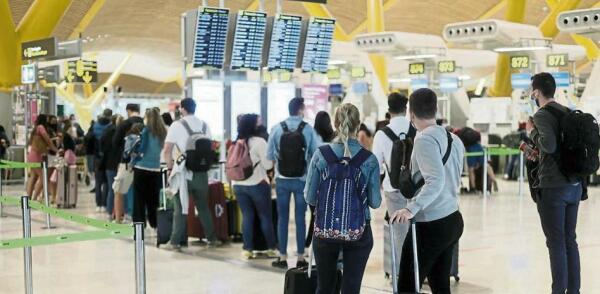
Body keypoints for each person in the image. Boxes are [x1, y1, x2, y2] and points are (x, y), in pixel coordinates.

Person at [391, 88, 465, 294]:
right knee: (440, 285)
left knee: (407, 285)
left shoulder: (423, 139)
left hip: (430, 224)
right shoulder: (454, 139)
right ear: (436, 109)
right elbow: (453, 177)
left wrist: (410, 209)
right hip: (452, 218)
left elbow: (435, 180)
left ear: (411, 114)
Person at [305, 103, 382, 293]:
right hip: (359, 231)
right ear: (358, 125)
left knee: (324, 287)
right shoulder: (369, 159)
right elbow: (375, 202)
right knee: (351, 286)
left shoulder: (320, 155)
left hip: (325, 230)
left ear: (336, 123)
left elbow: (309, 197)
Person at [526, 72, 583, 294]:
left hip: (553, 187)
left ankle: (558, 290)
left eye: (532, 90)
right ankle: (574, 290)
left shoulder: (541, 114)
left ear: (537, 92)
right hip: (574, 184)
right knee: (570, 240)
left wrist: (532, 134)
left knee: (556, 242)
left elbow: (549, 145)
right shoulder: (566, 111)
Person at [266, 97, 319, 269]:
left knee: (282, 218)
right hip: (301, 180)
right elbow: (315, 155)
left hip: (282, 180)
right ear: (301, 109)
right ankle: (301, 258)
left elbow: (269, 156)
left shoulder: (276, 129)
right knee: (300, 218)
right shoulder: (308, 129)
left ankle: (282, 257)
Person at [162, 98, 221, 250]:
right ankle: (212, 238)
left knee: (180, 208)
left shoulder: (177, 125)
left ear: (182, 109)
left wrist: (169, 168)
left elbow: (167, 149)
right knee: (203, 207)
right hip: (201, 173)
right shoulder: (204, 125)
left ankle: (174, 242)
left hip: (182, 172)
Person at [372, 92, 411, 265]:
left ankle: (402, 277)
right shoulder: (416, 130)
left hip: (393, 190)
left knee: (399, 234)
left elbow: (376, 166)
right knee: (418, 232)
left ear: (389, 110)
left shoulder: (381, 134)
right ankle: (419, 272)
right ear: (406, 108)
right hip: (416, 189)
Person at [231, 114, 277, 259]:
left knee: (247, 217)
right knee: (265, 217)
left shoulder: (236, 143)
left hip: (238, 185)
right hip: (257, 184)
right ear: (253, 126)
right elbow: (268, 165)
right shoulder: (259, 142)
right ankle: (271, 248)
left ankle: (247, 249)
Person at [131, 108, 166, 228]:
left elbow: (142, 150)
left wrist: (134, 160)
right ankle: (155, 222)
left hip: (141, 168)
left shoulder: (146, 131)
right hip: (156, 169)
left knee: (139, 198)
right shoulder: (163, 133)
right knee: (153, 199)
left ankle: (140, 223)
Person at [112, 104, 144, 222]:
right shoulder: (146, 124)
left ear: (128, 111)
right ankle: (138, 217)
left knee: (118, 190)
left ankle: (118, 219)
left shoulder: (124, 124)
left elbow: (115, 143)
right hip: (142, 164)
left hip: (126, 163)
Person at [27, 114, 58, 201]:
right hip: (37, 155)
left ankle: (28, 199)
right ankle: (34, 198)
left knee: (33, 177)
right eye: (47, 119)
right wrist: (56, 150)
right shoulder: (41, 127)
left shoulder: (35, 129)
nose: (48, 121)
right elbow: (48, 140)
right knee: (43, 177)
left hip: (32, 154)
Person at [101, 114, 123, 220]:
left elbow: (103, 147)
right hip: (120, 164)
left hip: (109, 164)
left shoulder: (107, 132)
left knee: (111, 188)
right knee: (120, 190)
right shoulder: (122, 134)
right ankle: (120, 213)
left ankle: (110, 213)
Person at [92, 109, 113, 212]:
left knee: (98, 182)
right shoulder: (110, 128)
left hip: (97, 157)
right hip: (107, 157)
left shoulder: (95, 126)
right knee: (106, 183)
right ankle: (104, 204)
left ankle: (98, 204)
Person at [83, 120, 96, 188]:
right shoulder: (94, 134)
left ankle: (91, 182)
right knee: (92, 169)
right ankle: (93, 184)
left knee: (89, 168)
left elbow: (84, 143)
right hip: (92, 153)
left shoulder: (88, 133)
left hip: (88, 152)